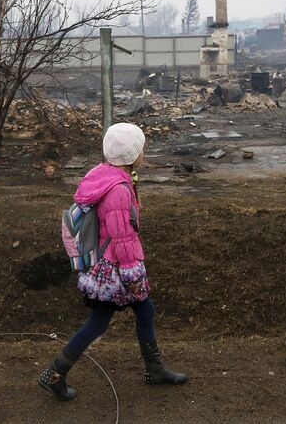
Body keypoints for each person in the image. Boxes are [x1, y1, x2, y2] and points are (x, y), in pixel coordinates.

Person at [39, 122, 187, 400]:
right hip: (115, 271)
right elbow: (123, 239)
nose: (144, 152)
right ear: (131, 154)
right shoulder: (119, 190)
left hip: (105, 265)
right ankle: (54, 373)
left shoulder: (103, 174)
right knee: (102, 321)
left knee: (141, 313)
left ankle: (153, 369)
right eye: (141, 147)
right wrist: (134, 278)